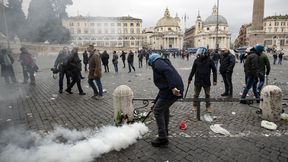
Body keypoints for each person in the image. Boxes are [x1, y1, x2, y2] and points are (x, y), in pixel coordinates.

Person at [148, 53, 184, 147]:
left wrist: (173, 87)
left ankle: (162, 137)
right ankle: (165, 132)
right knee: (163, 109)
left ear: (151, 61)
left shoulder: (158, 63)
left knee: (157, 111)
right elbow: (162, 88)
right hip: (170, 90)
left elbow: (167, 71)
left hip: (172, 90)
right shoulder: (162, 61)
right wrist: (155, 102)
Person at [188, 47, 217, 113]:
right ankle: (194, 105)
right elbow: (193, 70)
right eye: (199, 54)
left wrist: (214, 80)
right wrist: (190, 78)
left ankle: (208, 106)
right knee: (196, 94)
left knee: (207, 94)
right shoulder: (196, 60)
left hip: (206, 80)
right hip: (198, 80)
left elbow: (214, 70)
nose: (199, 55)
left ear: (205, 54)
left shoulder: (210, 61)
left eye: (200, 54)